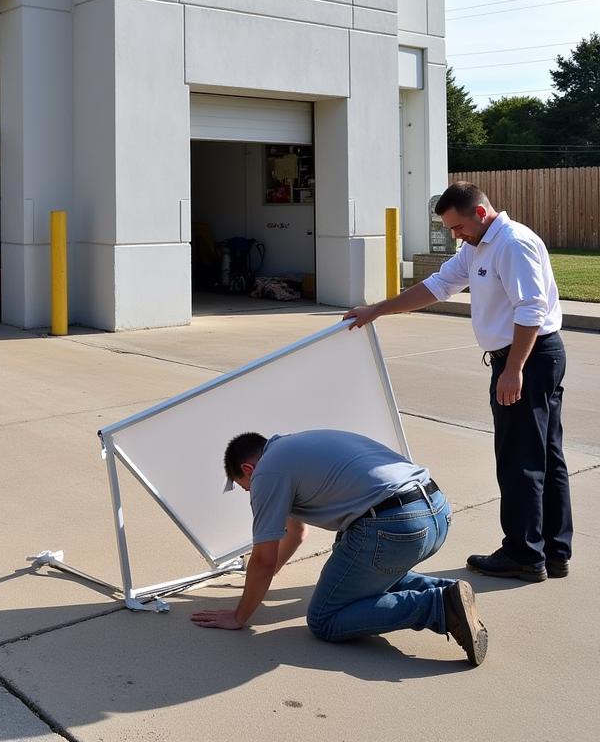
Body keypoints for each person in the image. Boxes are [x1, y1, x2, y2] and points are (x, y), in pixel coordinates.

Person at [343, 181, 571, 583]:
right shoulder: (477, 247)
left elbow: (531, 309)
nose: (455, 235)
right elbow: (437, 287)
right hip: (529, 358)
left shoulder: (512, 243)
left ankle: (523, 554)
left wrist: (513, 368)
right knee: (542, 456)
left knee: (521, 460)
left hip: (528, 358)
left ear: (480, 213)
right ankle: (552, 552)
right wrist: (377, 310)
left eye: (457, 226)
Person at [191, 429, 488, 667]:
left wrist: (239, 616)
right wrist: (273, 573)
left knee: (324, 619)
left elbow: (263, 559)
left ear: (248, 468)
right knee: (357, 557)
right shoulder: (295, 448)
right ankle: (449, 593)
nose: (251, 495)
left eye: (247, 488)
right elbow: (296, 533)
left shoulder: (267, 472)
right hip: (436, 512)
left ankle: (438, 607)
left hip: (393, 527)